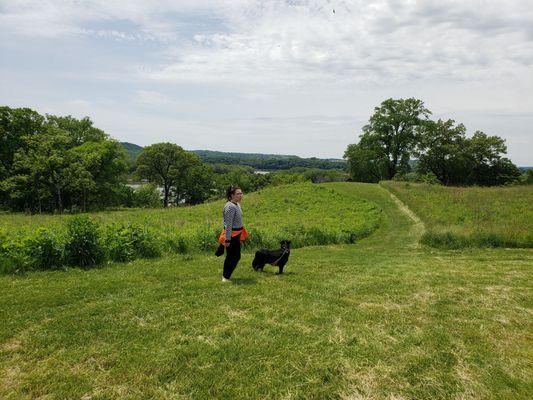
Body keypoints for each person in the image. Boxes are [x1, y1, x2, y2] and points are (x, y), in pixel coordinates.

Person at [217, 186, 248, 282]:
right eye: (238, 194)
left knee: (236, 256)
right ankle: (225, 277)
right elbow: (228, 225)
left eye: (241, 193)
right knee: (232, 256)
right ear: (231, 195)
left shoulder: (237, 204)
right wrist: (227, 239)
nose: (240, 195)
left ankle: (226, 276)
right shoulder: (230, 207)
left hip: (237, 234)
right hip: (231, 235)